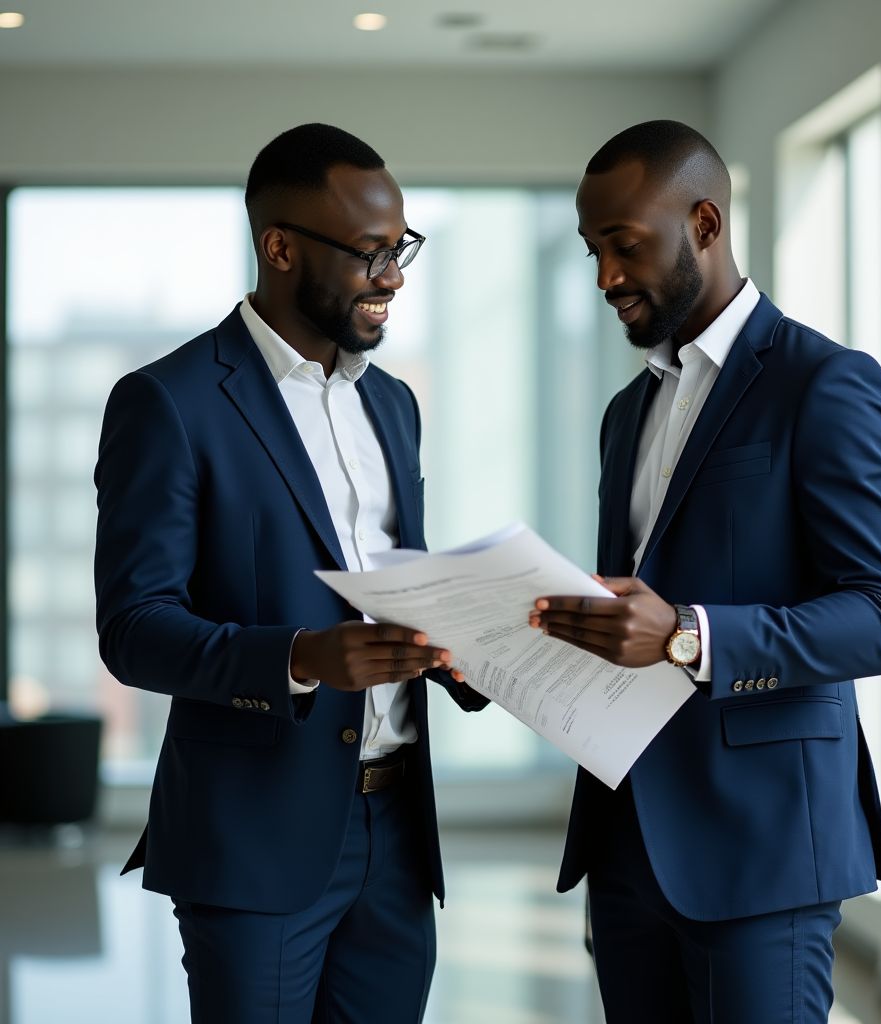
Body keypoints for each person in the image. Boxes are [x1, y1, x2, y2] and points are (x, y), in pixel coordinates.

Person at [94, 122, 486, 1024]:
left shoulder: (393, 403)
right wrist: (302, 656)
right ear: (279, 247)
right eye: (369, 254)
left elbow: (398, 581)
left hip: (397, 834)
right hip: (253, 836)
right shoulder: (169, 402)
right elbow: (135, 628)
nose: (392, 278)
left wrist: (465, 644)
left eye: (402, 251)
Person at [529, 120, 881, 1022]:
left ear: (704, 224)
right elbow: (629, 613)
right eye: (592, 251)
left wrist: (689, 635)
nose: (604, 279)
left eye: (622, 247)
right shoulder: (627, 412)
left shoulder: (825, 384)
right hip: (626, 843)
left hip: (764, 849)